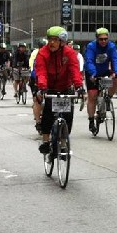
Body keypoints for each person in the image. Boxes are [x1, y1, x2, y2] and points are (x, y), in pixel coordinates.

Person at [33, 26, 83, 156]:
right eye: (50, 39)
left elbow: (74, 70)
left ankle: (63, 142)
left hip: (65, 86)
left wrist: (79, 86)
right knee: (48, 114)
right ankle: (45, 140)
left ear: (62, 42)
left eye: (55, 40)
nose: (51, 43)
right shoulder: (42, 53)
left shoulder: (70, 53)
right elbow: (41, 71)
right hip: (49, 88)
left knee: (68, 116)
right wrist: (43, 86)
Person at [84, 27, 117, 134]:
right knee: (92, 95)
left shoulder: (111, 46)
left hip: (105, 70)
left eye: (105, 39)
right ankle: (91, 120)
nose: (103, 41)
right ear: (97, 39)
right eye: (101, 39)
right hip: (92, 72)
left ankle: (108, 98)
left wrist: (116, 72)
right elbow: (89, 61)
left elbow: (115, 59)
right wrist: (93, 73)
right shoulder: (91, 46)